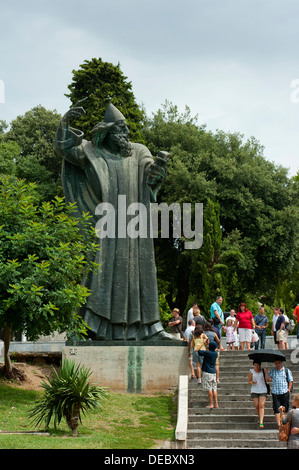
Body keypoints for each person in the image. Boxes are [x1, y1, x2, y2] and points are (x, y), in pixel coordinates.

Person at [55, 98, 172, 341]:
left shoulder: (139, 151)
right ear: (107, 132)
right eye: (121, 129)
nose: (127, 133)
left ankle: (151, 329)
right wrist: (65, 122)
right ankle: (90, 328)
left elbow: (150, 174)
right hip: (106, 226)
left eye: (126, 128)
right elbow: (65, 150)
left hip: (135, 227)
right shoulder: (91, 152)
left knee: (142, 274)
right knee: (99, 275)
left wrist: (157, 172)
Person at [265, 360, 294, 428]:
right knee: (276, 408)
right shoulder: (273, 371)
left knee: (285, 408)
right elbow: (268, 380)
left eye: (278, 363)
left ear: (281, 363)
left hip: (284, 392)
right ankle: (279, 424)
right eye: (276, 363)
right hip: (275, 392)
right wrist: (266, 373)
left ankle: (283, 422)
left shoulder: (286, 370)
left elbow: (290, 380)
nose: (277, 365)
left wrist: (289, 390)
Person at [196, 341, 219, 408]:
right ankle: (216, 404)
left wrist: (203, 343)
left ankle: (211, 404)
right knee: (214, 389)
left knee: (209, 389)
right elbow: (209, 350)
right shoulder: (215, 353)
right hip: (213, 373)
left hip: (207, 372)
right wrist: (207, 346)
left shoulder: (207, 353)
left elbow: (197, 350)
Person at [248, 360, 268, 428]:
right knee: (257, 406)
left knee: (261, 405)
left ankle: (261, 422)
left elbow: (267, 379)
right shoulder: (251, 371)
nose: (257, 367)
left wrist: (266, 373)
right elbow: (249, 381)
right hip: (254, 390)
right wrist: (252, 382)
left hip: (263, 389)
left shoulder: (263, 371)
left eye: (258, 365)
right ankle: (260, 417)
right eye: (255, 365)